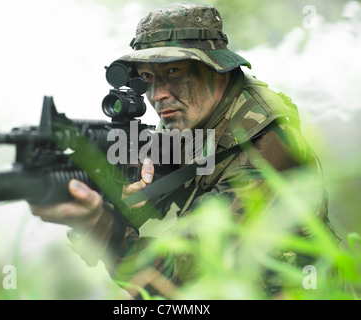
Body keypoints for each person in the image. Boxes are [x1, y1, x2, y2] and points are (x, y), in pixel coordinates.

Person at [30, 3, 338, 298]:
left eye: (174, 72)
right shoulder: (200, 114)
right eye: (147, 78)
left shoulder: (266, 145)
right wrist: (119, 184)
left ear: (217, 69)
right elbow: (176, 174)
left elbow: (172, 276)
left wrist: (99, 224)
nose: (157, 95)